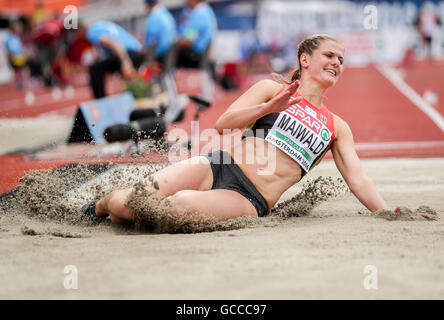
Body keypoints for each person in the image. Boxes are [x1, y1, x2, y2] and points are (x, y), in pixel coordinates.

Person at [82, 34, 433, 224]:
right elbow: (222, 124)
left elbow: (358, 179)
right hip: (216, 165)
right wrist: (267, 109)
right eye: (330, 55)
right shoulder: (271, 90)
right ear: (305, 60)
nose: (337, 63)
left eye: (341, 60)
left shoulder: (337, 127)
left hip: (248, 197)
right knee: (125, 203)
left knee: (177, 204)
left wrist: (387, 211)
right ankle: (90, 212)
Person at [85, 20, 144, 99]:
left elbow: (115, 44)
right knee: (129, 77)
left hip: (128, 54)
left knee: (95, 69)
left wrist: (125, 62)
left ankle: (101, 101)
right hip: (137, 52)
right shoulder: (102, 25)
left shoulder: (91, 32)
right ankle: (136, 93)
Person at [175, 0, 217, 100]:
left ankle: (170, 92)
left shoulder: (198, 14)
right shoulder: (207, 10)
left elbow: (187, 40)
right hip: (204, 53)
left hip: (196, 53)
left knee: (167, 56)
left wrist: (174, 43)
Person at [4, 20, 27, 90]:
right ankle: (18, 83)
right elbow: (8, 50)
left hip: (19, 57)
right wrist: (11, 57)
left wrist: (24, 54)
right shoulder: (9, 39)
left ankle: (20, 82)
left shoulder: (17, 38)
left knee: (21, 70)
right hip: (14, 58)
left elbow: (20, 49)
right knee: (18, 71)